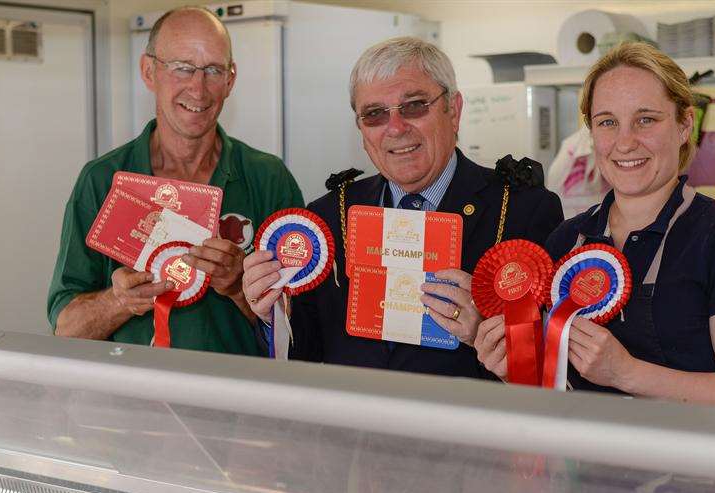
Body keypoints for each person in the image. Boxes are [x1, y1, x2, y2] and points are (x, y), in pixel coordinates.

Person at [475, 43, 715, 409]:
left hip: (690, 464)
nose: (625, 142)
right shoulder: (567, 239)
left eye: (646, 120)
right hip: (583, 461)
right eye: (607, 122)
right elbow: (554, 389)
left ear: (685, 125)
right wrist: (515, 369)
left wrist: (624, 372)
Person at [241, 37, 563, 378]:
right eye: (375, 114)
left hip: (466, 425)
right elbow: (305, 352)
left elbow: (550, 374)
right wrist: (272, 315)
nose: (395, 128)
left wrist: (483, 332)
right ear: (361, 130)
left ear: (453, 110)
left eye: (414, 106)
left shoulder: (522, 209)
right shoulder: (329, 216)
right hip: (358, 426)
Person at [48, 6, 302, 354]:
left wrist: (238, 286)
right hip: (133, 402)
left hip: (239, 401)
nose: (199, 90)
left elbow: (304, 328)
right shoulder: (103, 179)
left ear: (230, 79)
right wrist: (119, 301)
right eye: (183, 68)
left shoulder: (268, 177)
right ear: (149, 71)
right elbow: (66, 330)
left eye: (213, 70)